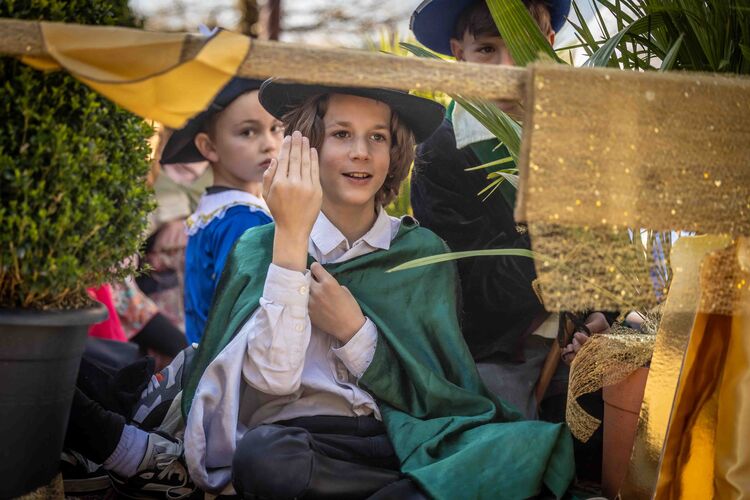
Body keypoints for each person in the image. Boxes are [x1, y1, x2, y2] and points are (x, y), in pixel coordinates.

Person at [183, 80, 575, 499]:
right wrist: (292, 240)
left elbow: (441, 393)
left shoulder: (422, 253)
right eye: (341, 134)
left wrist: (354, 331)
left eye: (377, 137)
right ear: (306, 147)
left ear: (394, 152)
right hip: (306, 441)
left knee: (522, 447)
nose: (361, 152)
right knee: (263, 458)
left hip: (401, 437)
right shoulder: (260, 247)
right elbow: (272, 380)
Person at [159, 77, 284, 344]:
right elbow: (246, 315)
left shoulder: (214, 212)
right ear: (209, 147)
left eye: (276, 128)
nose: (269, 144)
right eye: (248, 132)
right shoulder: (244, 220)